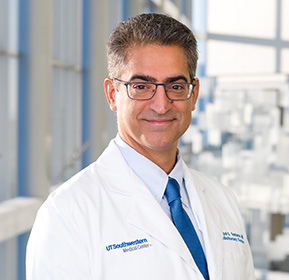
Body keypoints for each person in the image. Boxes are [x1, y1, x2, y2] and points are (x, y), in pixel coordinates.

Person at [26, 13, 255, 280]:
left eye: (176, 86)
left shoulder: (222, 200)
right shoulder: (68, 213)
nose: (161, 104)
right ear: (113, 94)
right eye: (141, 86)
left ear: (193, 95)